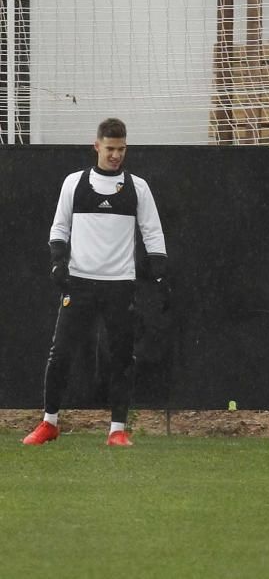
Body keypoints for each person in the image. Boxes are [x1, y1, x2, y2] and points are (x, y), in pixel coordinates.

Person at [23, 118, 168, 447]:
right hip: (79, 285)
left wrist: (159, 272)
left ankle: (117, 429)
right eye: (110, 148)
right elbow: (59, 228)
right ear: (97, 146)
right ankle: (49, 423)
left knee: (121, 358)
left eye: (121, 149)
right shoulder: (74, 183)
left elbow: (153, 232)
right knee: (60, 355)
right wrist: (58, 262)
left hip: (120, 286)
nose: (116, 155)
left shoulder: (137, 187)